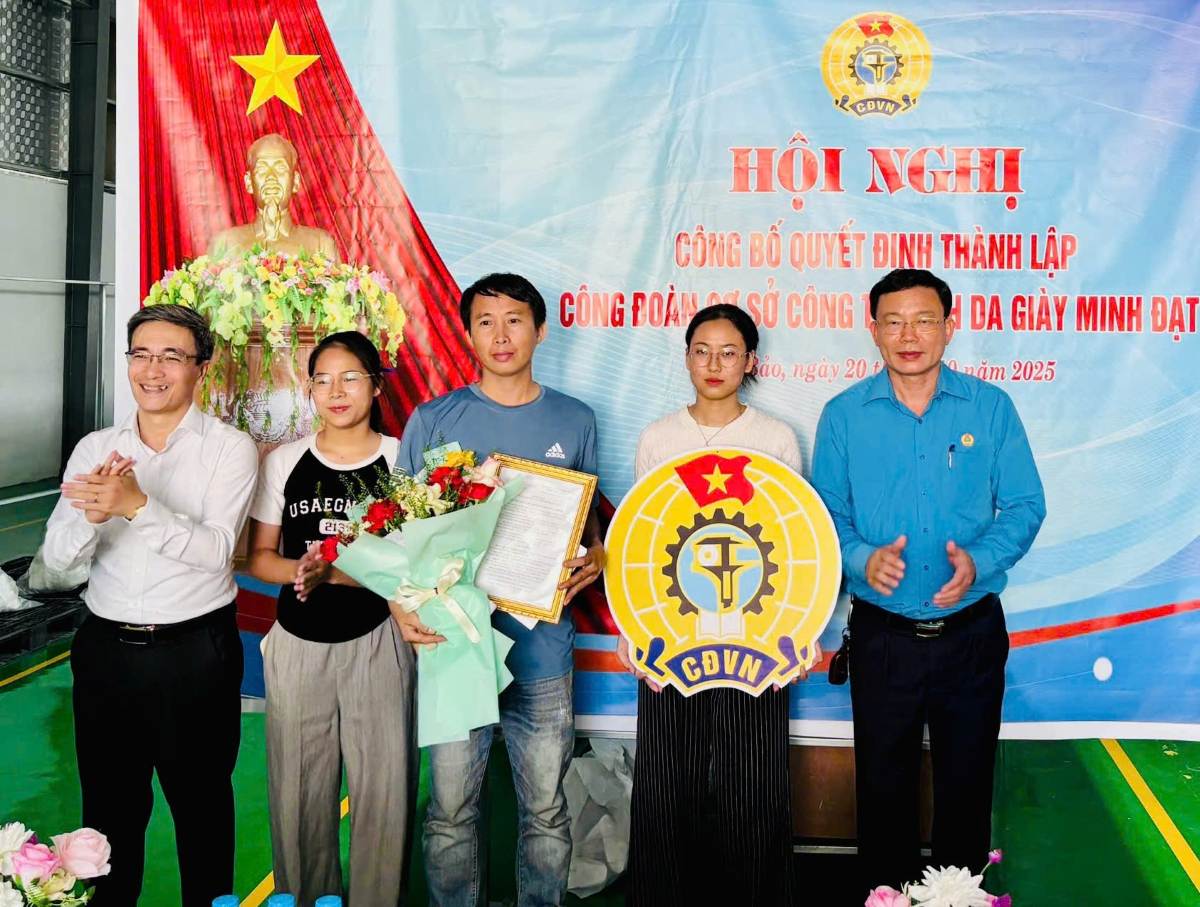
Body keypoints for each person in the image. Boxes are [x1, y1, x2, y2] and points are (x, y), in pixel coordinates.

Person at [811, 268, 1046, 888]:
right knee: (882, 791)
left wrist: (980, 559)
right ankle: (885, 897)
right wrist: (860, 558)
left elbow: (1025, 505)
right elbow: (824, 514)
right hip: (883, 637)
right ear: (873, 330)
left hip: (971, 636)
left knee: (966, 789)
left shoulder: (990, 408)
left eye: (922, 321)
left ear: (949, 326)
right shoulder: (843, 415)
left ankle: (958, 899)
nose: (908, 335)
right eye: (893, 322)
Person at [395, 273, 604, 907]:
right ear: (467, 334)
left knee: (546, 810)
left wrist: (598, 555)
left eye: (515, 320)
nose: (501, 334)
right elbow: (398, 534)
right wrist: (399, 605)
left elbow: (585, 524)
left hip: (542, 652)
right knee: (449, 812)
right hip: (455, 648)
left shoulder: (575, 419)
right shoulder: (434, 420)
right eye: (485, 321)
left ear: (540, 331)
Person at [43, 304, 258, 906]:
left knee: (202, 810)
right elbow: (55, 565)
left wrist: (136, 505)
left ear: (202, 369)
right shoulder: (96, 448)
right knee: (107, 818)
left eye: (171, 356)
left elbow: (215, 551)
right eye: (141, 354)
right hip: (105, 653)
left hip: (196, 654)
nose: (153, 370)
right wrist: (91, 517)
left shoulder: (229, 448)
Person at [615, 303, 810, 906]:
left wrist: (799, 632)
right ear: (686, 358)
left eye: (729, 353)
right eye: (702, 351)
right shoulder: (659, 437)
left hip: (757, 642)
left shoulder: (775, 438)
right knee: (665, 787)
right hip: (671, 640)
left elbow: (794, 542)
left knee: (754, 790)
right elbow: (641, 542)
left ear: (751, 362)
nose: (714, 364)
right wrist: (632, 628)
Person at [247, 331, 417, 907]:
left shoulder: (401, 459)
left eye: (350, 378)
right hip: (298, 643)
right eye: (322, 380)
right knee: (298, 792)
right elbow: (260, 558)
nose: (336, 391)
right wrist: (304, 569)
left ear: (376, 386)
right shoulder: (285, 462)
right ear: (310, 390)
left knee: (384, 793)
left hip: (380, 641)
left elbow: (419, 565)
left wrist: (338, 574)